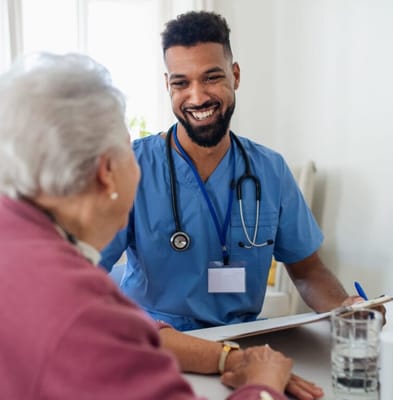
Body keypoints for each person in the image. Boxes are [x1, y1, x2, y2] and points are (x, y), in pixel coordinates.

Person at [0, 52, 294, 400]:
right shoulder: (84, 316)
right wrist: (264, 384)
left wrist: (223, 356)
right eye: (128, 150)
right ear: (106, 172)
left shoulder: (17, 241)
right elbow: (99, 323)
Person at [100, 10, 368, 331]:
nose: (197, 97)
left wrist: (344, 308)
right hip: (156, 344)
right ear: (167, 85)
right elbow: (85, 270)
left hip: (241, 339)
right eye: (181, 83)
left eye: (211, 77)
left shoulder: (270, 170)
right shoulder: (130, 167)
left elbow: (307, 270)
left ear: (235, 76)